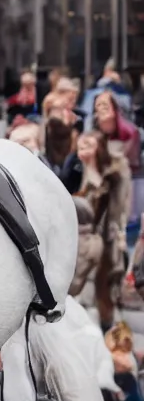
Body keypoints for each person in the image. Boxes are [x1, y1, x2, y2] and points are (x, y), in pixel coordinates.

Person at [67, 132, 131, 326]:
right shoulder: (75, 171)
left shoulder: (112, 178)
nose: (82, 146)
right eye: (80, 144)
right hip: (80, 242)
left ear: (99, 148)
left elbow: (117, 213)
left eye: (88, 143)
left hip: (100, 243)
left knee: (101, 295)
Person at [94, 91, 141, 173]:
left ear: (114, 108)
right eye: (98, 105)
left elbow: (128, 162)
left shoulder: (130, 132)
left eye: (105, 104)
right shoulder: (94, 135)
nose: (101, 107)